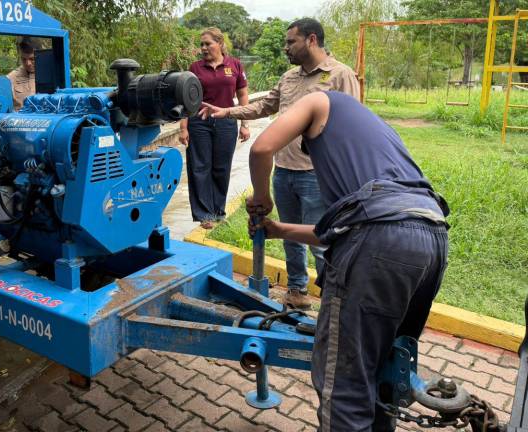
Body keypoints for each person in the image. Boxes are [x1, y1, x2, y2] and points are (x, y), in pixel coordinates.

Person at [247, 91, 449, 432]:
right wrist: (278, 229)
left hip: (381, 240)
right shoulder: (376, 139)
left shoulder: (319, 100)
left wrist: (263, 198)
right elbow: (346, 232)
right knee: (385, 367)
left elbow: (261, 148)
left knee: (345, 385)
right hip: (432, 236)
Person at [200, 18, 359, 309]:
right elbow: (265, 105)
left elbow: (353, 123)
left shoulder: (340, 75)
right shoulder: (289, 77)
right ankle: (297, 290)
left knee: (322, 241)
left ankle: (334, 304)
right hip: (283, 170)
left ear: (311, 40)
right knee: (289, 235)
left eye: (291, 42)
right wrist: (227, 111)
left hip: (318, 175)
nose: (285, 48)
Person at [179, 27, 250, 229]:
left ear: (219, 43)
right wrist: (183, 128)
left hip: (227, 122)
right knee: (200, 167)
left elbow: (243, 95)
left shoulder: (234, 65)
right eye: (201, 44)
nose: (203, 48)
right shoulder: (195, 68)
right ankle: (204, 214)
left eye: (208, 43)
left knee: (221, 167)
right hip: (199, 122)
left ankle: (218, 211)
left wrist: (244, 123)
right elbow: (186, 100)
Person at [7, 37, 36, 110]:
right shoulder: (11, 78)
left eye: (32, 59)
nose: (28, 63)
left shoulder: (51, 74)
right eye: (24, 59)